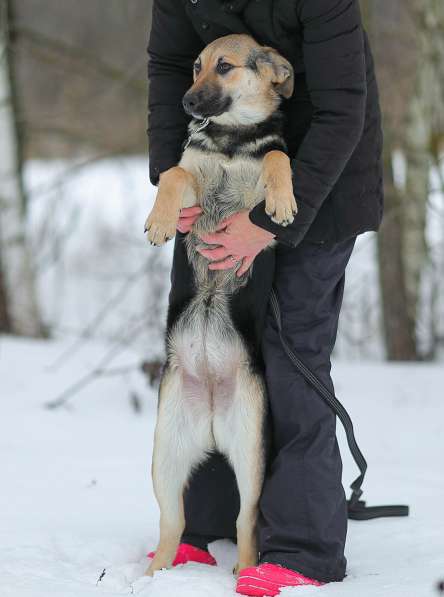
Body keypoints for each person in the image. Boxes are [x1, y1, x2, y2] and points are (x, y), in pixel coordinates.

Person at [146, 0, 383, 594]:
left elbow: (343, 110)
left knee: (291, 356)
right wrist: (169, 181)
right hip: (218, 167)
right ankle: (205, 527)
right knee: (209, 342)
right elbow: (166, 64)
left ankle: (303, 549)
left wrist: (270, 226)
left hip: (322, 182)